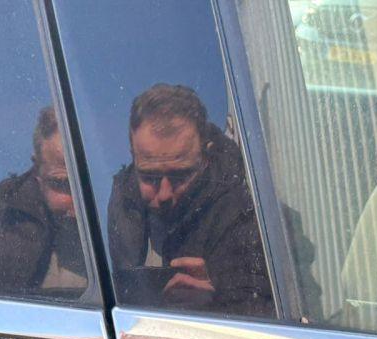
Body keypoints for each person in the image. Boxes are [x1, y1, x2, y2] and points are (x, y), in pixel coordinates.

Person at [108, 83, 272, 315]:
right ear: (133, 157)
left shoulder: (249, 217)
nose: (164, 193)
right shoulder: (120, 201)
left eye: (180, 176)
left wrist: (214, 304)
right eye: (149, 177)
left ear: (205, 157)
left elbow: (276, 320)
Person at [0, 106, 87, 297]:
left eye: (89, 186)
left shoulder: (125, 211)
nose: (77, 202)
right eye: (61, 183)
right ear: (37, 169)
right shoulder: (6, 211)